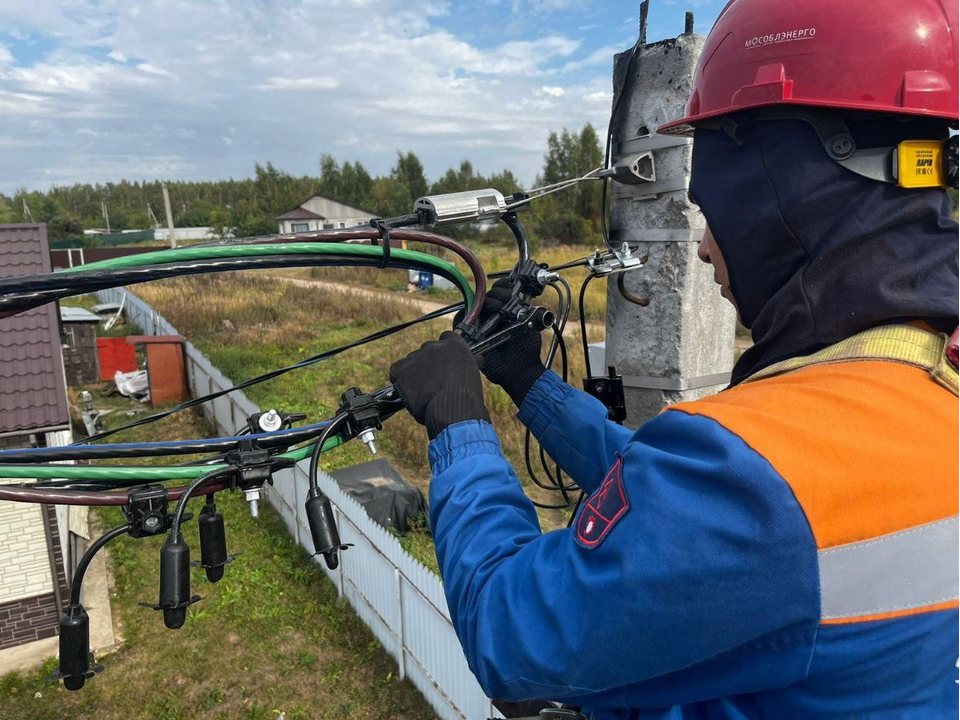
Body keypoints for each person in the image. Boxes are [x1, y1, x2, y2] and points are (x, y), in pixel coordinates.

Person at [389, 1, 959, 717]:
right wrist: (529, 384)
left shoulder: (771, 477)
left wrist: (458, 428)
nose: (700, 245)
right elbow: (685, 502)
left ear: (774, 197)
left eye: (712, 211)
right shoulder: (924, 385)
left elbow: (514, 636)